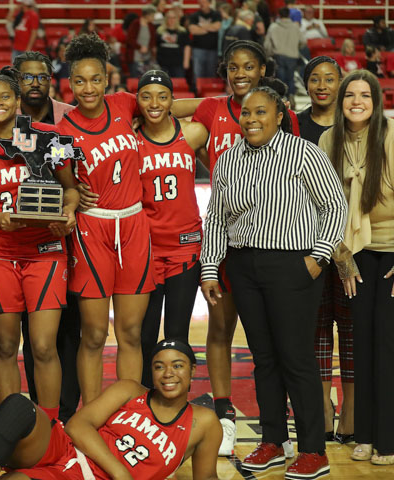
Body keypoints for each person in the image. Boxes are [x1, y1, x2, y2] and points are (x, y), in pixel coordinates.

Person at [201, 86, 346, 478]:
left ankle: (314, 450)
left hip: (292, 264)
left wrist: (319, 256)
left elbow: (334, 204)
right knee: (263, 358)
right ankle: (273, 442)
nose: (251, 119)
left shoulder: (304, 154)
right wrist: (210, 266)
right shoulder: (228, 160)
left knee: (295, 358)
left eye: (260, 112)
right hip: (243, 265)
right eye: (245, 113)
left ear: (279, 115)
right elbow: (217, 217)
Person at [171, 39, 300, 457]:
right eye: (233, 67)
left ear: (263, 69)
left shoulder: (285, 118)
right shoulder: (211, 109)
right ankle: (225, 414)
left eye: (249, 67)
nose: (241, 73)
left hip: (272, 239)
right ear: (225, 71)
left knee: (273, 339)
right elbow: (161, 108)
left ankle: (278, 422)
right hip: (226, 239)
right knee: (220, 329)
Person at [0, 67, 78, 423]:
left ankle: (50, 424)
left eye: (5, 97)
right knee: (4, 347)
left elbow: (70, 188)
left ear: (17, 101)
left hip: (45, 251)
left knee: (44, 346)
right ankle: (10, 425)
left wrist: (68, 212)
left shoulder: (49, 137)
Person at [0, 339, 222, 480]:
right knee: (18, 406)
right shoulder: (131, 390)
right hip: (65, 448)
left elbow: (207, 477)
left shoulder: (204, 422)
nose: (168, 374)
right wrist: (119, 472)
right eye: (159, 366)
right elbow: (76, 425)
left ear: (192, 372)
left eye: (178, 366)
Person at [57, 34, 155, 405]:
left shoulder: (125, 104)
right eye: (79, 81)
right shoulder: (64, 131)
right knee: (94, 334)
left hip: (132, 225)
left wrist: (218, 106)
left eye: (94, 79)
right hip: (92, 228)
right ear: (70, 83)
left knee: (130, 332)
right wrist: (72, 194)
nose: (87, 88)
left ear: (107, 78)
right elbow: (66, 183)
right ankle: (92, 417)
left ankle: (129, 411)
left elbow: (166, 106)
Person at [318, 69, 394, 465]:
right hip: (352, 252)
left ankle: (389, 438)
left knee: (386, 345)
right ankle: (364, 434)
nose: (357, 100)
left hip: (393, 252)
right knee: (360, 347)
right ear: (341, 100)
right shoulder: (329, 140)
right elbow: (324, 203)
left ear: (376, 99)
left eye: (365, 94)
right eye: (350, 94)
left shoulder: (392, 134)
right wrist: (340, 253)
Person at [12, 51, 80, 423]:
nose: (35, 82)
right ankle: (38, 414)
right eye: (27, 77)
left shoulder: (67, 121)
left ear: (51, 80)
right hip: (18, 244)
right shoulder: (8, 122)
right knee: (32, 337)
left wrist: (73, 202)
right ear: (16, 81)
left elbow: (73, 179)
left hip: (65, 239)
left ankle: (65, 416)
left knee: (68, 333)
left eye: (42, 76)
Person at [136, 70, 209, 388]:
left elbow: (211, 106)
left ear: (173, 100)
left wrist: (167, 105)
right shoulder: (131, 140)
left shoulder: (192, 134)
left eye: (162, 96)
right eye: (146, 96)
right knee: (144, 333)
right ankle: (143, 401)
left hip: (186, 248)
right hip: (146, 249)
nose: (154, 104)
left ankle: (178, 399)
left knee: (178, 332)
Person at [297, 58, 354, 446]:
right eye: (314, 79)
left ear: (341, 83)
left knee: (351, 330)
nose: (322, 85)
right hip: (309, 244)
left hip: (355, 246)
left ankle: (351, 414)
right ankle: (321, 409)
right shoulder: (295, 126)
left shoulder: (358, 124)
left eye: (329, 79)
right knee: (314, 332)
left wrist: (345, 244)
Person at [264, 7, 305, 108]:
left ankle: (282, 99)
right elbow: (303, 42)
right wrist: (296, 48)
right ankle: (291, 96)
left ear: (279, 15)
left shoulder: (273, 27)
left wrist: (269, 54)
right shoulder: (295, 27)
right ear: (289, 15)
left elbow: (267, 44)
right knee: (290, 78)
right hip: (292, 56)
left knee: (281, 79)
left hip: (279, 55)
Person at [188, 0, 221, 93]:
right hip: (197, 49)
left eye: (204, 2)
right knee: (197, 73)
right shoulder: (194, 15)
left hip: (212, 49)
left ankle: (209, 94)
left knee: (211, 74)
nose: (201, 4)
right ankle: (197, 93)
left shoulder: (216, 14)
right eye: (200, 2)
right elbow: (193, 30)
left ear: (209, 3)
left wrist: (201, 27)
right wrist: (210, 28)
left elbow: (217, 27)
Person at [156, 9, 191, 79]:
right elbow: (155, 47)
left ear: (177, 19)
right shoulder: (159, 31)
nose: (171, 20)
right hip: (162, 63)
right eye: (169, 17)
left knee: (178, 84)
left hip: (178, 63)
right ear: (166, 19)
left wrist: (186, 61)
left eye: (173, 17)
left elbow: (187, 47)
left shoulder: (183, 31)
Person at [125, 6, 157, 78]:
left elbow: (152, 40)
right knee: (135, 77)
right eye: (153, 16)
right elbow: (130, 39)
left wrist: (150, 48)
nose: (154, 18)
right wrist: (139, 47)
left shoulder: (151, 26)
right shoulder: (135, 24)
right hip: (135, 56)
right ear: (147, 15)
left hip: (147, 56)